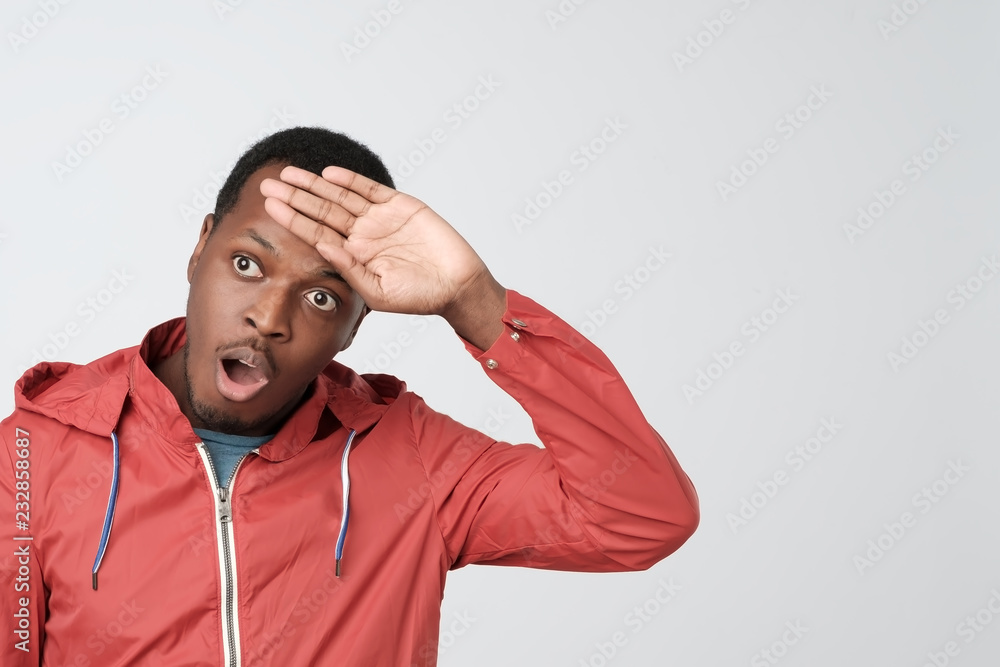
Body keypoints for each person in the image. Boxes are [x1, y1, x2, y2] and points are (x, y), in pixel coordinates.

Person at [1, 126, 699, 665]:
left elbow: (639, 514)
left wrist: (476, 303)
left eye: (322, 295)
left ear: (358, 323)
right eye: (247, 263)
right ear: (201, 246)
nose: (270, 317)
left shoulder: (414, 459)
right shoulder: (32, 457)